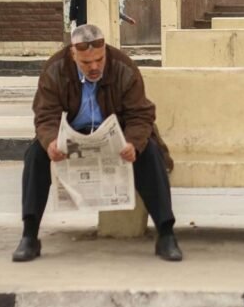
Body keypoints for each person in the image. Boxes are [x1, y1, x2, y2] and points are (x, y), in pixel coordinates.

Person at [12, 23, 182, 263]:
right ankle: (29, 236)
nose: (94, 67)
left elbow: (141, 114)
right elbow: (45, 115)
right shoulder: (54, 69)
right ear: (73, 54)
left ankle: (166, 234)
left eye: (99, 60)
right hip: (73, 135)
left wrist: (133, 143)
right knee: (35, 156)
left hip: (117, 135)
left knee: (151, 153)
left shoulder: (123, 67)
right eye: (86, 62)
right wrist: (51, 142)